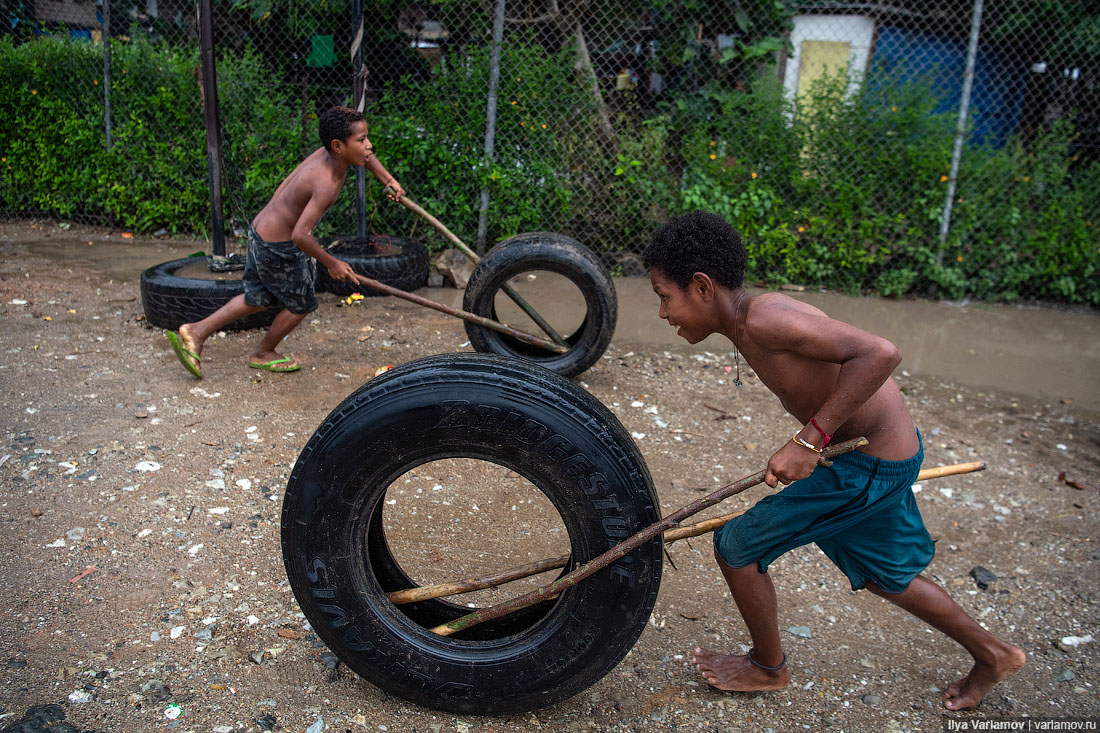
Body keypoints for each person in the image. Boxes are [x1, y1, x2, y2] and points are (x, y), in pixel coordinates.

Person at [642, 211, 1025, 711]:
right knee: (890, 574)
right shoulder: (751, 320)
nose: (663, 313)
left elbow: (880, 353)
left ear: (701, 287)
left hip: (868, 463)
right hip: (882, 454)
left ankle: (767, 667)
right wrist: (815, 441)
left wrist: (808, 442)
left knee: (738, 546)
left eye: (664, 297)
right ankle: (995, 653)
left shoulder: (765, 319)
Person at [166, 106, 405, 379]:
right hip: (279, 248)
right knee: (301, 303)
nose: (368, 145)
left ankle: (195, 331)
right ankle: (264, 353)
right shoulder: (326, 182)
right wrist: (332, 262)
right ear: (339, 146)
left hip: (260, 232)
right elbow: (300, 235)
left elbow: (367, 157)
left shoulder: (330, 155)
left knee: (258, 298)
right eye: (361, 140)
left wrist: (389, 181)